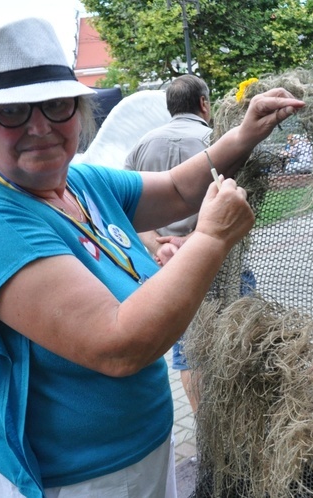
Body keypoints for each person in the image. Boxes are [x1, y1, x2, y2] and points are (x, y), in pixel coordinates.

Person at [0, 15, 303, 498]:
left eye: (56, 105)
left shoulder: (80, 184)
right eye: (12, 111)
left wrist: (244, 135)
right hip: (71, 480)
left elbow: (175, 188)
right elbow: (118, 344)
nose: (40, 126)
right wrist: (211, 240)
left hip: (141, 450)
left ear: (78, 114)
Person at [124, 74, 213, 414]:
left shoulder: (141, 146)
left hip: (166, 265)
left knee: (188, 346)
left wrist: (157, 246)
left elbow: (126, 210)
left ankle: (207, 425)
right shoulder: (214, 140)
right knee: (239, 331)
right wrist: (195, 241)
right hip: (217, 260)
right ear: (203, 103)